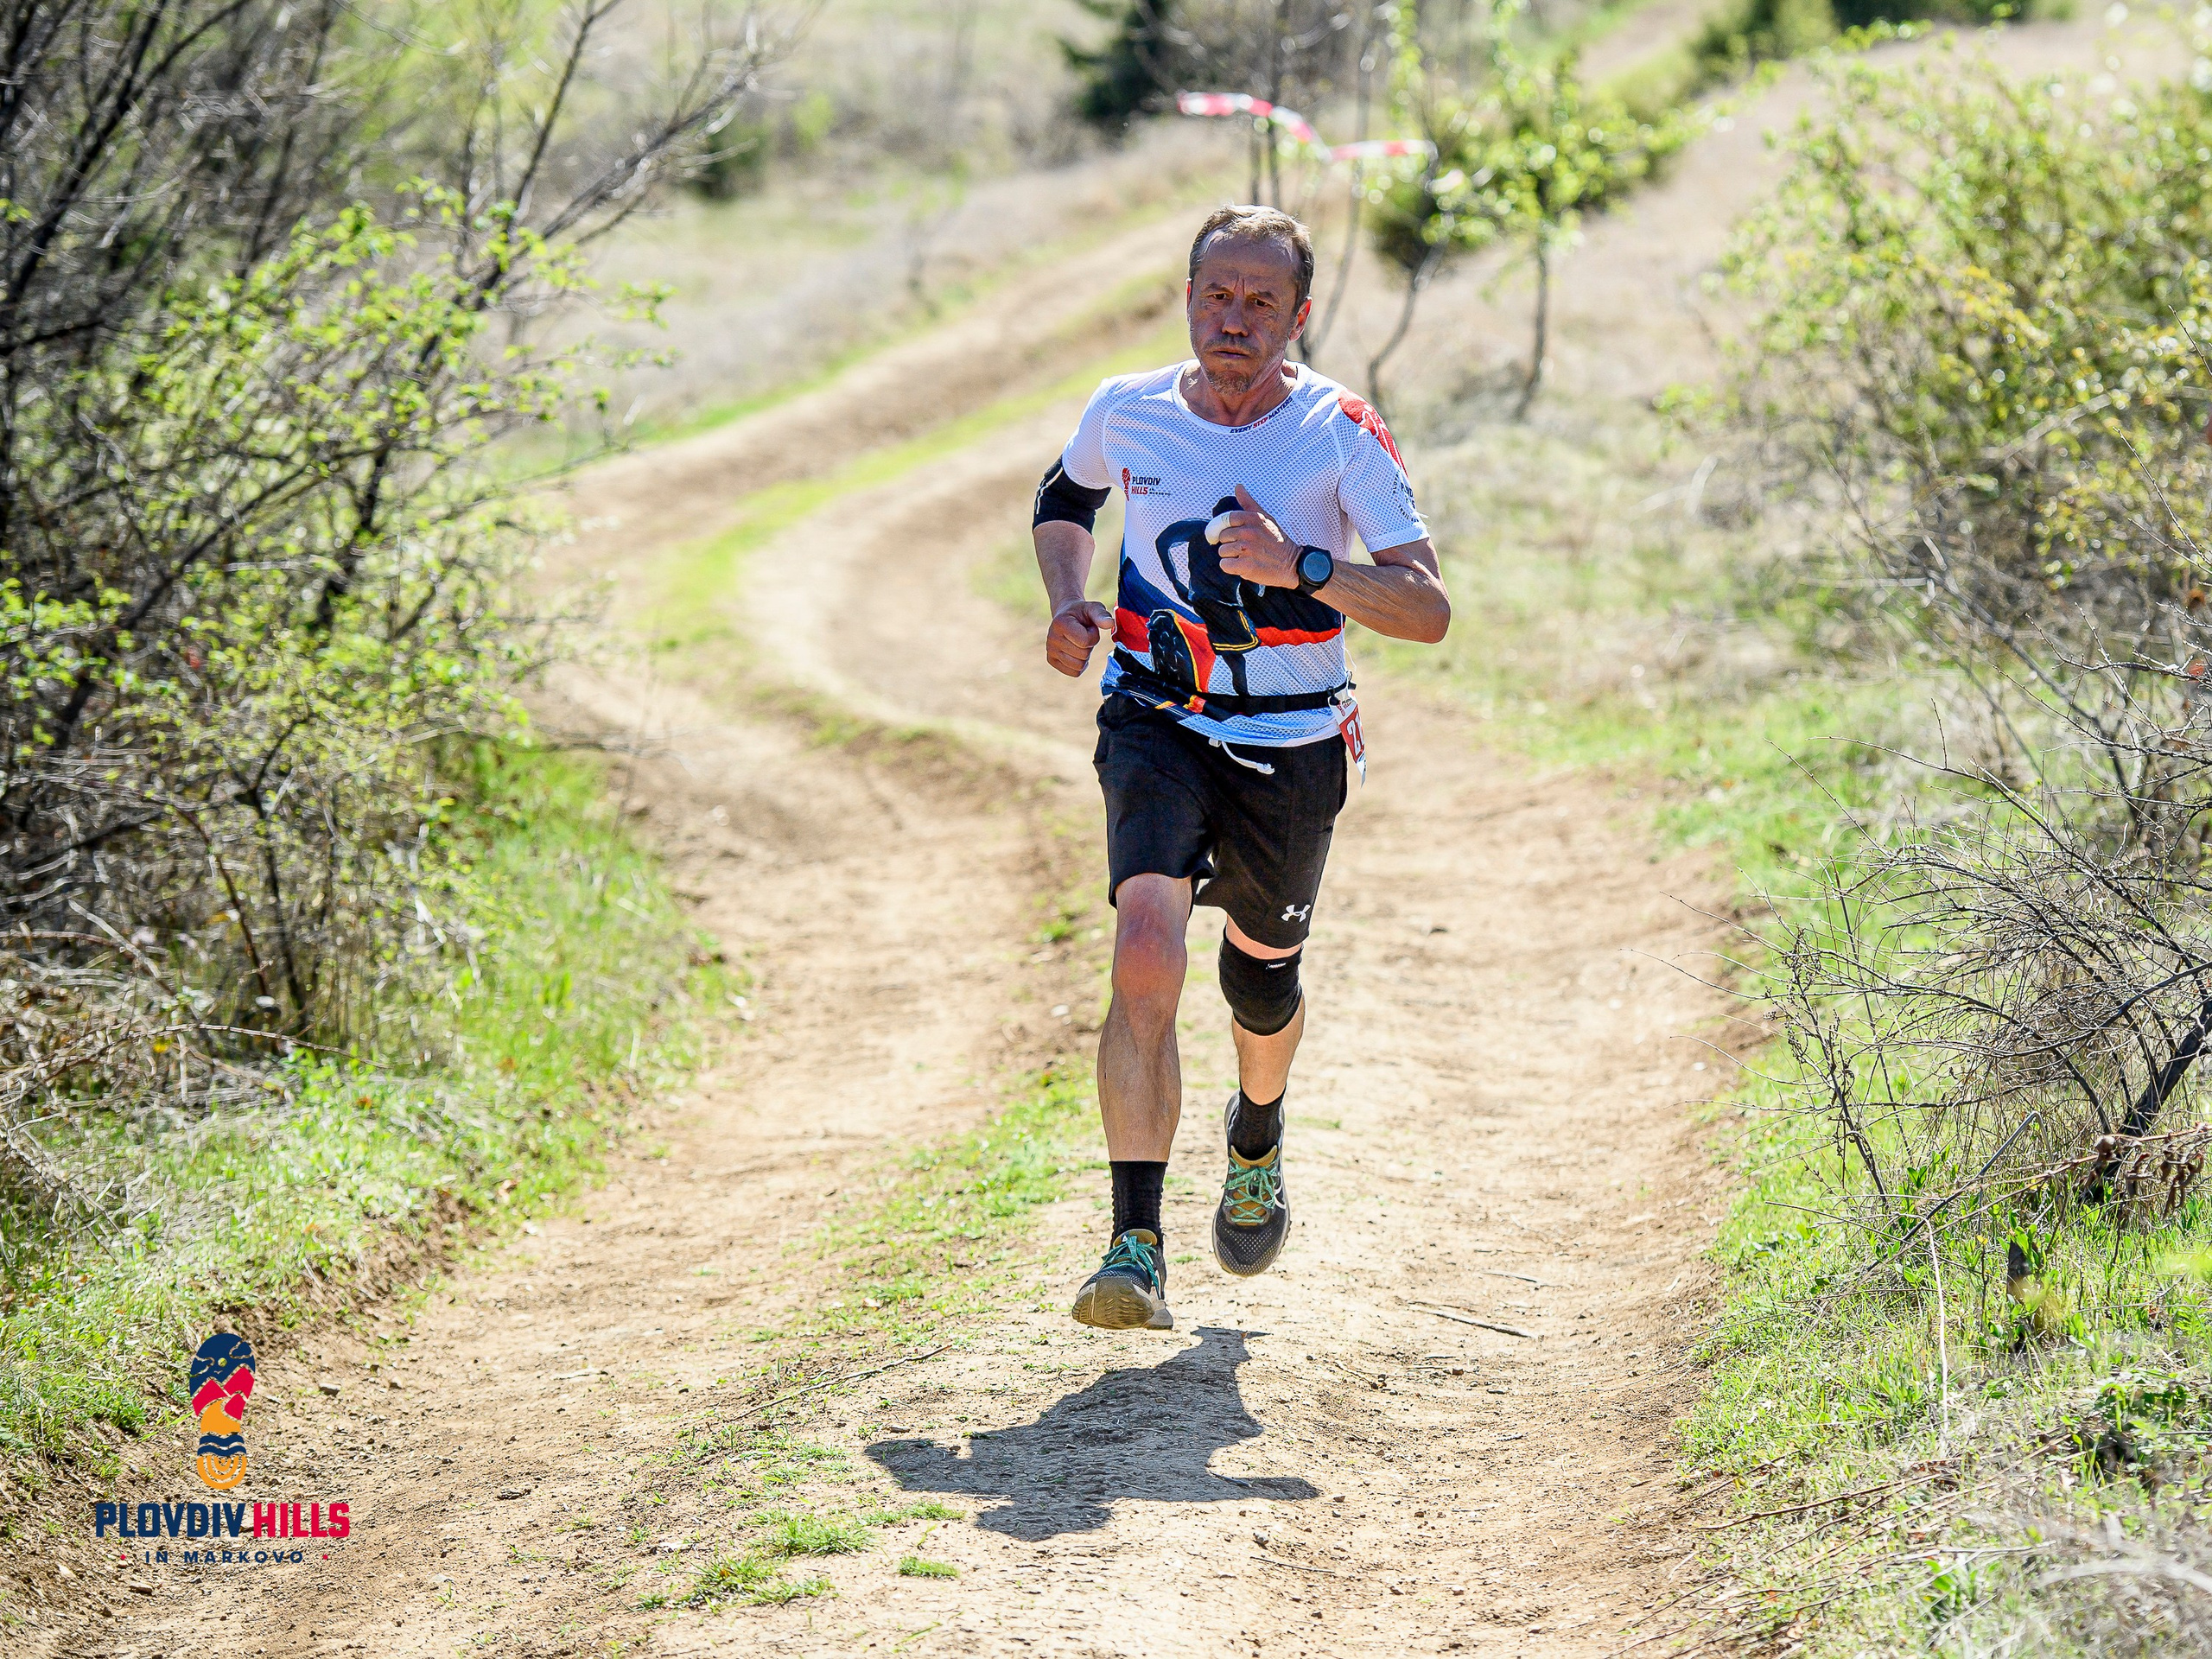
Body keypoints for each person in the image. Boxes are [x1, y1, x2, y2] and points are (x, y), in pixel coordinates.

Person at [1031, 203, 1452, 1331]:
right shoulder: (1127, 409)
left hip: (1296, 742)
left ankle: (1256, 1133)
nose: (1236, 318)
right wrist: (1070, 600)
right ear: (1188, 298)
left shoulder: (1338, 431)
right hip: (1156, 718)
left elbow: (1426, 608)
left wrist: (1304, 564)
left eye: (1263, 300)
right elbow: (1063, 497)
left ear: (1300, 316)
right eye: (1219, 294)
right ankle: (1134, 1244)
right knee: (1144, 949)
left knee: (1258, 983)